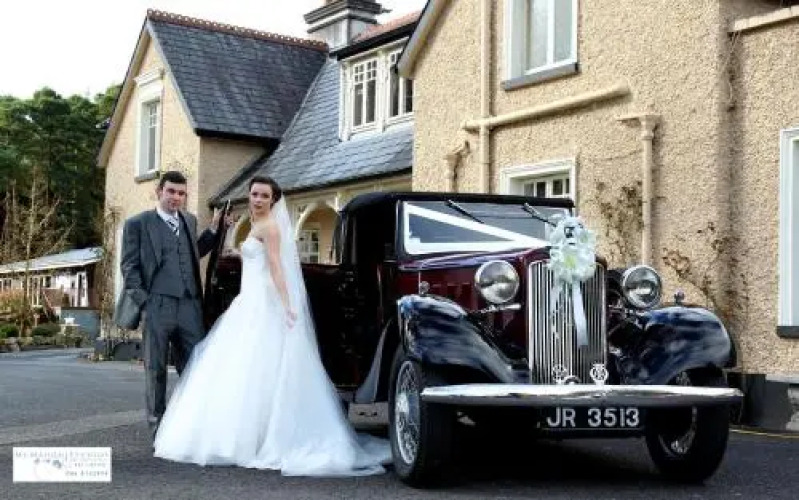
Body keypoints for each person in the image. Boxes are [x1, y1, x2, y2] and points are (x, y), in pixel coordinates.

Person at [153, 176, 390, 476]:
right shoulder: (256, 225)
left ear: (273, 200)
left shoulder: (271, 227)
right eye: (254, 194)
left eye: (264, 196)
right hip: (247, 303)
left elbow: (277, 266)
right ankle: (241, 436)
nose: (258, 199)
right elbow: (257, 258)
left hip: (264, 305)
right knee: (240, 370)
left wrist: (287, 304)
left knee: (260, 369)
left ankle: (261, 438)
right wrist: (234, 245)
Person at [116, 170, 228, 441]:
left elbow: (193, 252)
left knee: (195, 366)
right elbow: (129, 267)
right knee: (155, 370)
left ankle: (192, 426)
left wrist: (214, 230)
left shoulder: (189, 220)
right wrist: (145, 303)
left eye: (181, 193)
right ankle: (159, 430)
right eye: (171, 192)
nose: (176, 197)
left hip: (190, 305)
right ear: (159, 192)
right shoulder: (137, 224)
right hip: (157, 304)